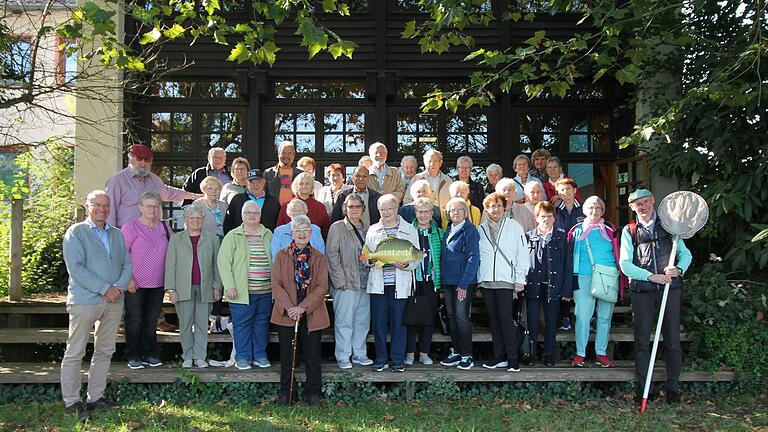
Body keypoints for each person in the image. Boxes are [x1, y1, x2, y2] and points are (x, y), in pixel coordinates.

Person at [61, 190, 132, 419]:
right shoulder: (76, 233)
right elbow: (77, 268)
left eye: (105, 205)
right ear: (87, 206)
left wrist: (117, 288)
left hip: (113, 302)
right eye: (97, 205)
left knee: (104, 350)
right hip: (85, 300)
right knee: (76, 351)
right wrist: (104, 289)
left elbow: (127, 264)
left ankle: (95, 397)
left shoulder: (117, 234)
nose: (102, 209)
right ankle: (72, 401)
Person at [619, 187, 692, 404]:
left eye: (645, 201)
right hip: (642, 291)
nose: (642, 207)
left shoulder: (670, 226)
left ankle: (672, 389)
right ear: (632, 207)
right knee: (642, 340)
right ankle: (645, 389)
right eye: (637, 204)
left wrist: (679, 269)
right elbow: (625, 264)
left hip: (670, 289)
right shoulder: (629, 231)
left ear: (653, 200)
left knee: (672, 340)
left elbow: (685, 254)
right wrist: (651, 276)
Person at [271, 215, 330, 405]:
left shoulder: (320, 258)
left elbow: (322, 286)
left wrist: (302, 308)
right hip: (287, 314)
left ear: (311, 233)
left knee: (313, 355)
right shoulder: (281, 256)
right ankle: (287, 393)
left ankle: (313, 393)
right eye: (298, 230)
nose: (302, 234)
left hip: (312, 313)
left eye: (306, 230)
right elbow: (277, 285)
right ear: (292, 233)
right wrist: (290, 308)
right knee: (288, 356)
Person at [365, 194, 420, 372]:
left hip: (400, 285)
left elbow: (416, 257)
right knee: (379, 324)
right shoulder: (373, 229)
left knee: (399, 324)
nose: (386, 212)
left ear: (396, 209)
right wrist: (371, 261)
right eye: (382, 209)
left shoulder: (409, 229)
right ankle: (381, 358)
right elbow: (366, 257)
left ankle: (397, 360)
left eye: (389, 208)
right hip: (378, 285)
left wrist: (406, 264)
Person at [567, 196, 623, 368]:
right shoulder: (576, 230)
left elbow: (617, 251)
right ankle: (580, 353)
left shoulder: (610, 229)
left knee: (604, 316)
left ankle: (601, 353)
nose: (594, 211)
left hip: (607, 276)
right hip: (583, 276)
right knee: (582, 316)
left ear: (603, 211)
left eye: (598, 208)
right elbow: (570, 255)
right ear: (584, 210)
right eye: (591, 207)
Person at [218, 200, 275, 370]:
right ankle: (242, 357)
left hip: (265, 290)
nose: (252, 215)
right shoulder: (233, 236)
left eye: (255, 213)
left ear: (260, 215)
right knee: (242, 324)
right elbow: (223, 263)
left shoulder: (268, 234)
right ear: (242, 216)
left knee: (261, 323)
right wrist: (229, 286)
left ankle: (260, 355)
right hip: (241, 292)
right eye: (248, 213)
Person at [476, 192, 529, 372]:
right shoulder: (481, 229)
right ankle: (499, 357)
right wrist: (478, 281)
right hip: (487, 282)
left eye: (499, 205)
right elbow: (479, 257)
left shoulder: (514, 226)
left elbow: (522, 253)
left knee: (506, 319)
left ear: (504, 207)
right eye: (492, 206)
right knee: (493, 320)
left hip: (507, 280)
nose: (496, 209)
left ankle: (512, 359)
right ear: (486, 209)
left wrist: (520, 279)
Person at [164, 204, 222, 368]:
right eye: (192, 218)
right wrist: (170, 288)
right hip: (183, 287)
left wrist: (218, 286)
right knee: (185, 323)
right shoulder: (176, 238)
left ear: (203, 220)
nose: (195, 221)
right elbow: (170, 265)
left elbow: (217, 265)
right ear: (186, 220)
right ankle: (188, 356)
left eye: (198, 218)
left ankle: (200, 356)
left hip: (206, 287)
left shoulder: (212, 239)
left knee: (203, 323)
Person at [120, 191, 169, 370]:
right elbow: (121, 255)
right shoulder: (131, 227)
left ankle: (149, 353)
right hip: (136, 283)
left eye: (156, 206)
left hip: (158, 283)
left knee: (151, 319)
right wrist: (128, 279)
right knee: (134, 320)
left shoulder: (164, 227)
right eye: (148, 205)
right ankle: (133, 355)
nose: (152, 209)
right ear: (140, 207)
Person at [326, 194, 373, 369]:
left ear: (363, 209)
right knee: (344, 322)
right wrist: (339, 281)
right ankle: (343, 356)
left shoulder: (367, 229)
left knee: (362, 321)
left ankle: (359, 354)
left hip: (365, 282)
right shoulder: (337, 228)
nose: (354, 210)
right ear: (345, 209)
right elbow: (331, 255)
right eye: (350, 207)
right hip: (345, 283)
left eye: (357, 207)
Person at [105, 144, 199, 228]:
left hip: (153, 233)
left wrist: (194, 196)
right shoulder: (117, 181)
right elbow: (110, 209)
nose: (143, 163)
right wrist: (111, 237)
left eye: (147, 160)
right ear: (131, 159)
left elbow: (168, 193)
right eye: (139, 159)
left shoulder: (154, 180)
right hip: (126, 235)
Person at [525, 201, 572, 367]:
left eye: (550, 216)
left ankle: (549, 354)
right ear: (536, 218)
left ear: (554, 217)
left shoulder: (561, 237)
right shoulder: (528, 236)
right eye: (543, 216)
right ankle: (531, 353)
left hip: (554, 286)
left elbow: (568, 265)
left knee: (551, 322)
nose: (546, 219)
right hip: (533, 285)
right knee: (531, 322)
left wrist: (567, 289)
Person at [439, 197, 480, 370]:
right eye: (452, 210)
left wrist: (464, 284)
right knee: (452, 317)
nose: (455, 212)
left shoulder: (469, 230)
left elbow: (473, 258)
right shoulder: (448, 229)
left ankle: (467, 355)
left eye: (459, 209)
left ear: (465, 213)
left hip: (463, 283)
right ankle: (456, 351)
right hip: (448, 282)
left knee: (462, 318)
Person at [405, 197, 444, 366]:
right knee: (411, 318)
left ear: (432, 213)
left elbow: (443, 260)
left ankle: (424, 353)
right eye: (419, 211)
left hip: (431, 281)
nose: (423, 215)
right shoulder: (407, 231)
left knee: (428, 319)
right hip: (412, 280)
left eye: (426, 211)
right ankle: (409, 353)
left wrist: (441, 285)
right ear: (415, 212)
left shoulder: (439, 233)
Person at [554, 177, 584, 332]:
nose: (566, 192)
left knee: (579, 280)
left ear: (575, 190)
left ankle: (587, 317)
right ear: (558, 192)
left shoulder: (583, 209)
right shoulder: (555, 210)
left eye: (569, 189)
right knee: (563, 280)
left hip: (579, 250)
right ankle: (564, 316)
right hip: (560, 250)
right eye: (562, 190)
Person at [224, 169, 281, 234]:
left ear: (264, 182)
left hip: (267, 241)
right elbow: (228, 223)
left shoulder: (273, 201)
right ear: (246, 183)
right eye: (251, 182)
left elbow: (279, 223)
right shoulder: (237, 200)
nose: (255, 185)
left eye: (258, 182)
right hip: (241, 241)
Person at [276, 172, 331, 238]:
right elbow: (279, 230)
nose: (304, 186)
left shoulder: (320, 207)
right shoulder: (286, 206)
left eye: (307, 183)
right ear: (296, 186)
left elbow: (326, 231)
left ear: (312, 187)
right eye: (301, 183)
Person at [264, 141, 302, 206]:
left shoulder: (300, 175)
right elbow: (263, 195)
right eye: (283, 153)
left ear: (293, 156)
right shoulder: (268, 173)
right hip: (274, 212)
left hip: (294, 211)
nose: (286, 156)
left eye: (289, 153)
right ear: (279, 154)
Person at [194, 176, 228, 241]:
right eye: (210, 189)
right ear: (204, 190)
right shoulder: (197, 204)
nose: (214, 191)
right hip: (204, 243)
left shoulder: (223, 205)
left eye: (217, 189)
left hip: (223, 244)